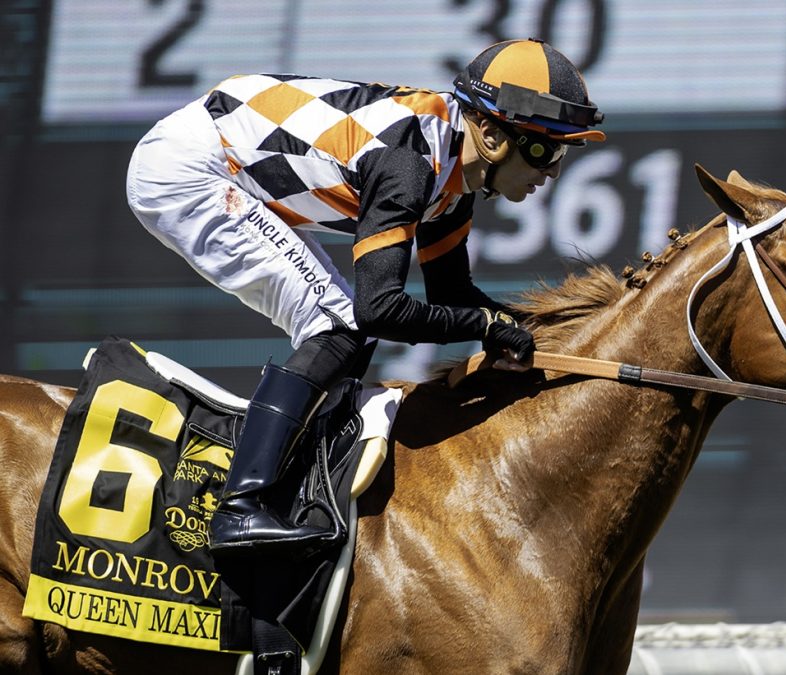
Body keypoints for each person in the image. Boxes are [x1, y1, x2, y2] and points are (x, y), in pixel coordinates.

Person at [125, 38, 605, 556]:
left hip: (217, 152)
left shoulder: (450, 170)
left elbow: (454, 295)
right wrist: (490, 328)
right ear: (489, 134)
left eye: (561, 151)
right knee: (339, 326)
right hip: (189, 170)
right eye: (544, 148)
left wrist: (538, 331)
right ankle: (240, 509)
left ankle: (293, 491)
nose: (552, 170)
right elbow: (380, 309)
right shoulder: (409, 167)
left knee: (345, 336)